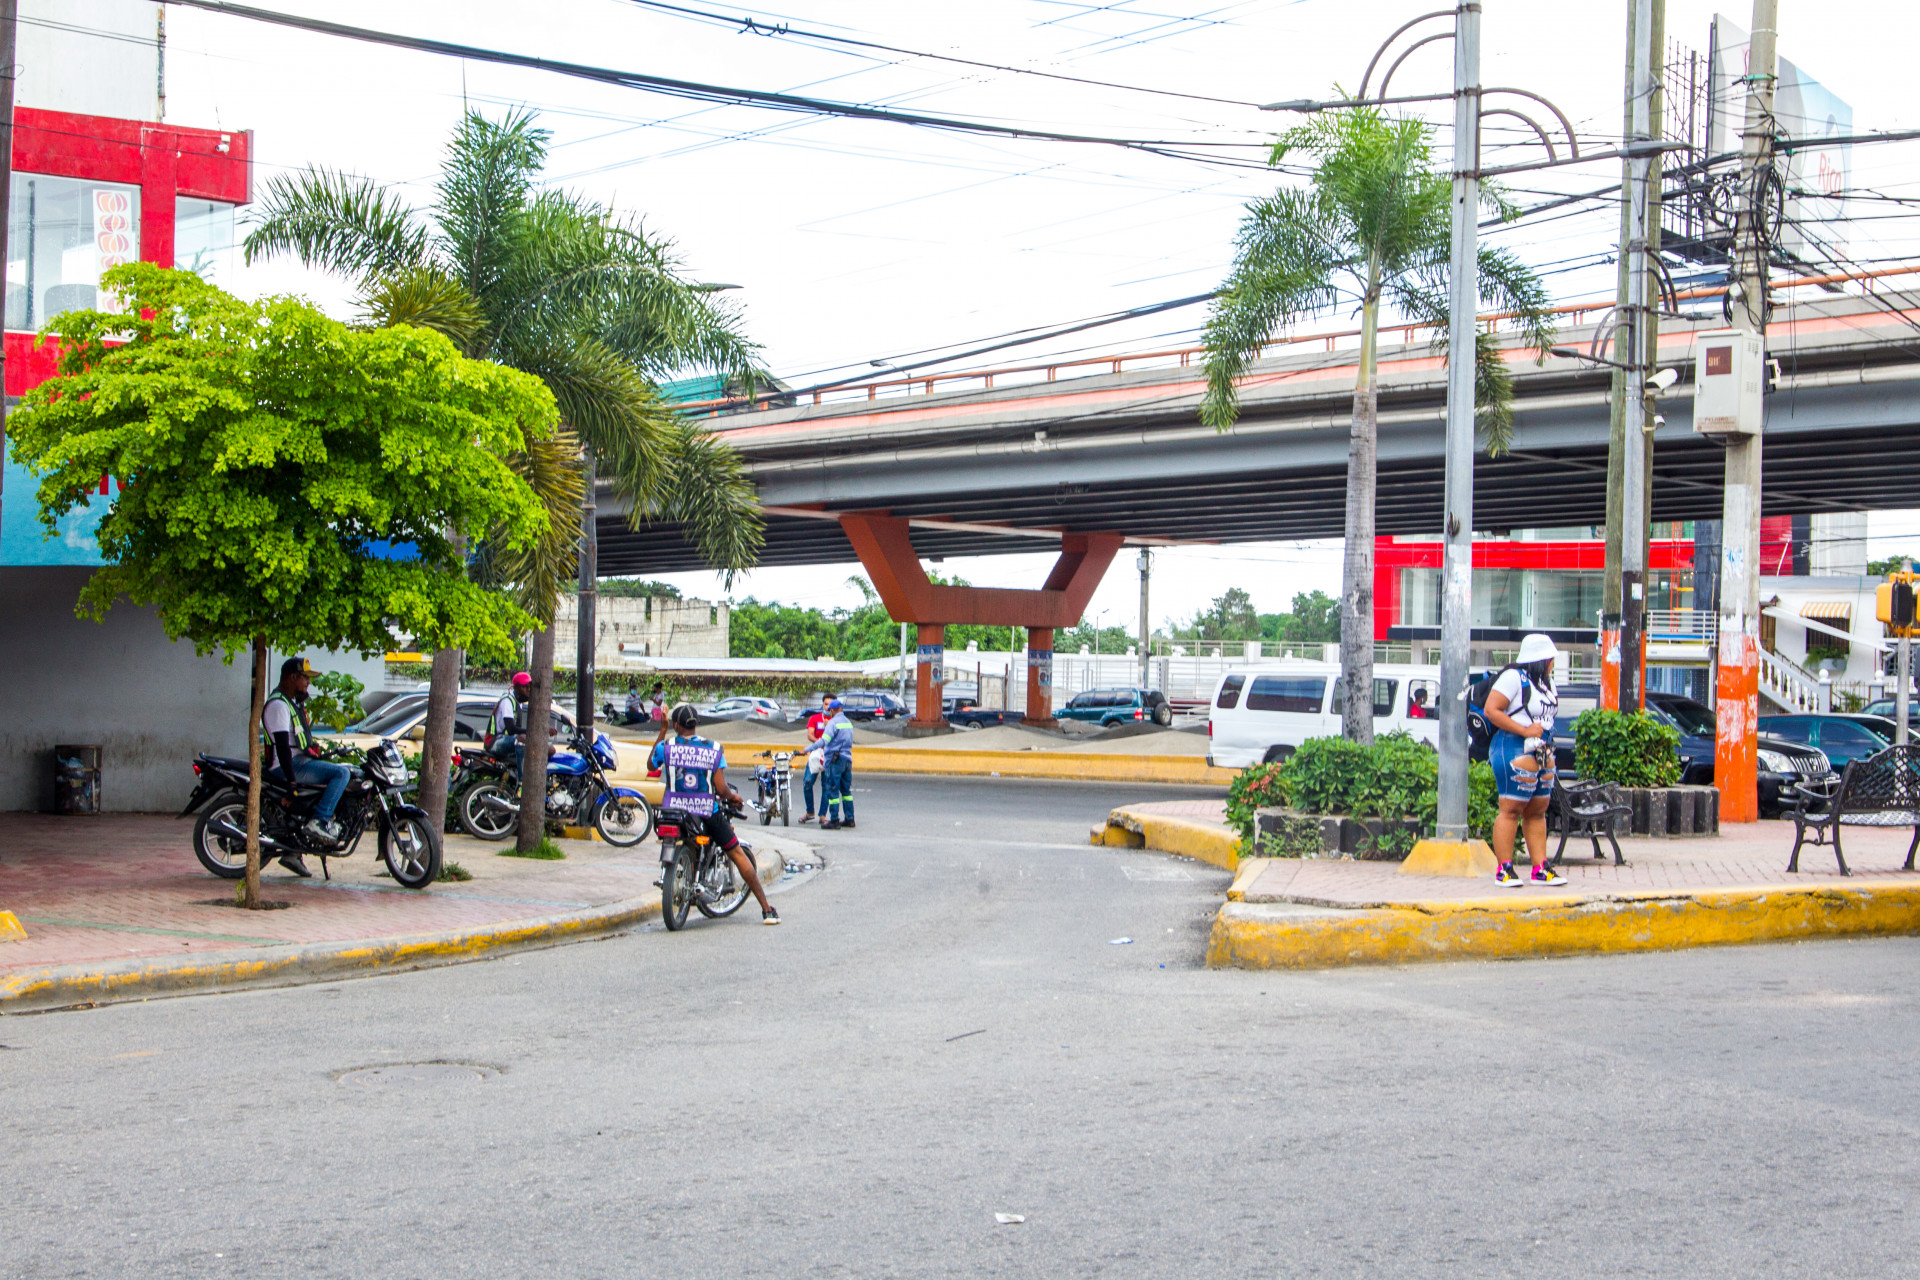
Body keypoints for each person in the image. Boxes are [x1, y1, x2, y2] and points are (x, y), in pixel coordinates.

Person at [650, 704, 779, 924]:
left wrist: (662, 731)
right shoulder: (713, 748)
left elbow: (651, 764)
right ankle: (767, 910)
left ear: (676, 725)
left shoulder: (666, 746)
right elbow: (720, 788)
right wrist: (733, 797)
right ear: (695, 725)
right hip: (706, 812)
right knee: (737, 853)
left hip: (674, 812)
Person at [1485, 633, 1568, 887]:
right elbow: (1491, 710)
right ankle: (1504, 869)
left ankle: (1540, 868)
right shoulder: (1513, 677)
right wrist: (1524, 730)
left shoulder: (1546, 683)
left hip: (1541, 749)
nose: (1552, 663)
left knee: (1537, 810)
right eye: (1550, 658)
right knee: (1511, 808)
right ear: (1541, 659)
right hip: (1514, 745)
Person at [260, 656, 352, 876]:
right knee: (341, 774)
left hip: (298, 761)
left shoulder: (292, 704)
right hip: (287, 766)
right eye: (305, 678)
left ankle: (294, 852)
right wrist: (291, 783)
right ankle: (319, 822)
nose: (308, 683)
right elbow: (283, 747)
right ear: (292, 677)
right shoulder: (279, 705)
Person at [488, 672, 533, 780]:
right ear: (516, 687)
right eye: (524, 687)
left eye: (529, 687)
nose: (528, 690)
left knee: (548, 749)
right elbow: (511, 729)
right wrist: (531, 732)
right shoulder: (507, 701)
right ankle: (522, 780)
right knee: (521, 740)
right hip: (496, 742)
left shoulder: (518, 703)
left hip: (507, 741)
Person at [819, 696, 855, 830]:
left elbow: (824, 741)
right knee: (846, 791)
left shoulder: (832, 723)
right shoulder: (848, 723)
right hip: (847, 759)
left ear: (833, 710)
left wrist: (807, 749)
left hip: (835, 760)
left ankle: (834, 820)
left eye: (830, 710)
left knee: (832, 791)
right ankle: (850, 819)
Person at [799, 700, 829, 824]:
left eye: (830, 705)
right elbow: (810, 734)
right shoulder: (815, 718)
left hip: (829, 755)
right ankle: (809, 812)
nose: (828, 707)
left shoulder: (835, 721)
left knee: (826, 786)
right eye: (826, 704)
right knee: (807, 782)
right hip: (815, 754)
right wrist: (819, 743)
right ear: (822, 705)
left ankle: (822, 815)